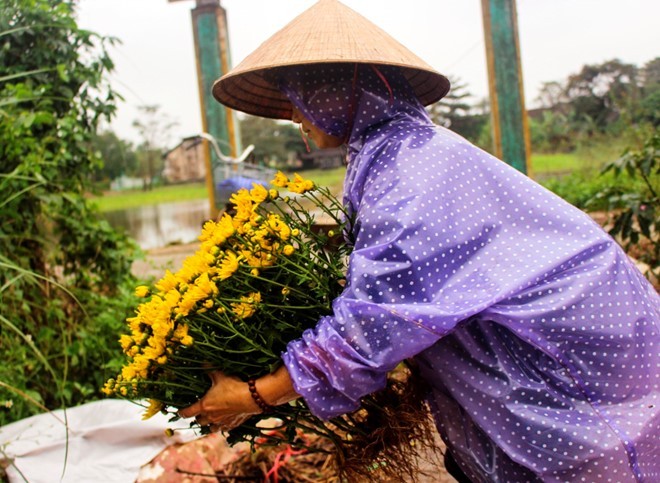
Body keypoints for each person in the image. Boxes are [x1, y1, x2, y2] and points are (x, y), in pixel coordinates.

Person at [179, 1, 660, 481]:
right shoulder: (393, 154)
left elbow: (374, 319)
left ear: (342, 92)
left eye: (304, 94)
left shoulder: (410, 168)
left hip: (579, 377)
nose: (295, 115)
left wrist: (253, 395)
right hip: (571, 353)